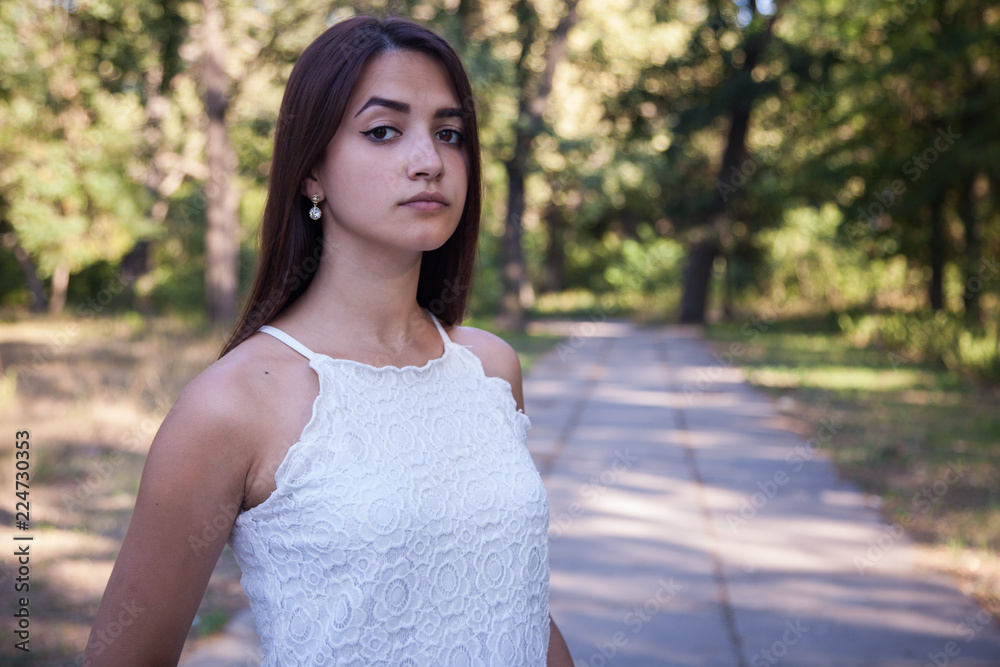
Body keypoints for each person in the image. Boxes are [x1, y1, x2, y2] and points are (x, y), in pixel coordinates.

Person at [85, 14, 573, 667]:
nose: (429, 160)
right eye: (383, 131)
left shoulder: (490, 368)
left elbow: (515, 608)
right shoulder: (232, 404)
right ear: (312, 171)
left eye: (449, 133)